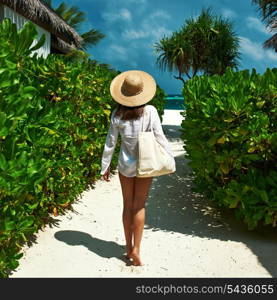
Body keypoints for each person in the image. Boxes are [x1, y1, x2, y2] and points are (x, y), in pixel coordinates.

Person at [100, 70, 174, 266]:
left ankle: (127, 247)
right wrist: (170, 159)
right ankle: (137, 249)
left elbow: (111, 143)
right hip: (146, 165)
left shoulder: (117, 114)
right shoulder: (150, 112)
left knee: (127, 205)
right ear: (142, 92)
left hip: (125, 166)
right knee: (139, 205)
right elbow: (160, 137)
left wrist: (104, 167)